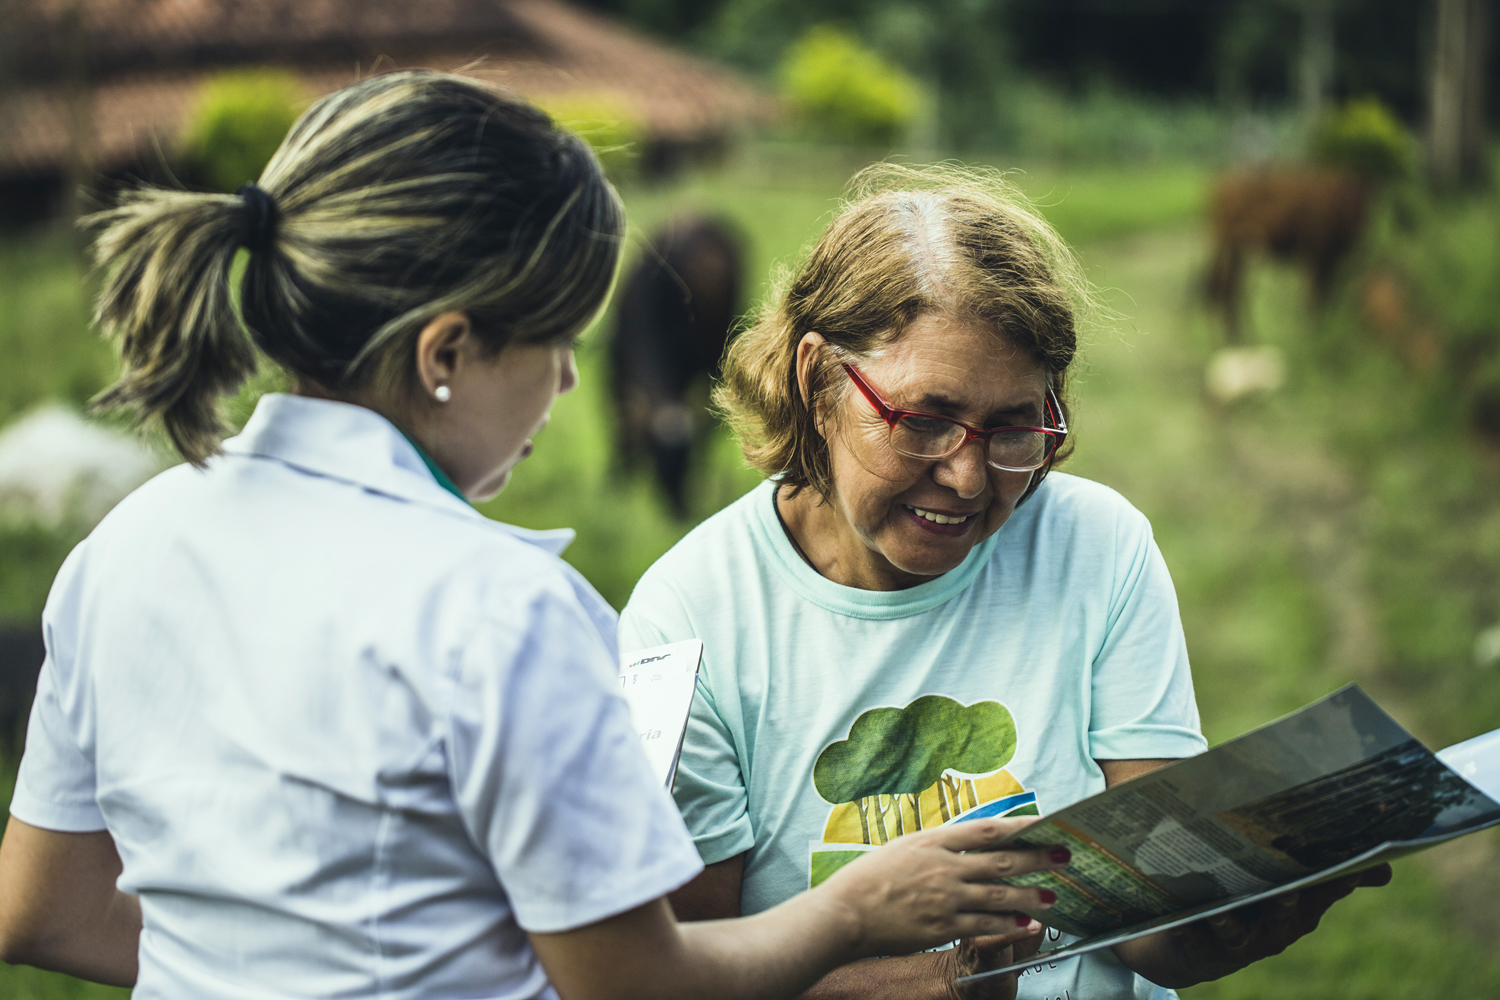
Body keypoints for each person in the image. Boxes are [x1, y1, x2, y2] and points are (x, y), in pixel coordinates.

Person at [0, 74, 1069, 1000]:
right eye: (557, 343)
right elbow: (635, 984)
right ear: (445, 354)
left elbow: (43, 910)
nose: (563, 383)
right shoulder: (502, 610)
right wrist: (854, 909)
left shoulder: (122, 549)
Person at [617, 165, 1391, 1000]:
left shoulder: (1098, 548)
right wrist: (951, 978)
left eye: (1016, 428)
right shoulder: (688, 620)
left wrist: (1236, 916)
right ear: (816, 382)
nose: (968, 476)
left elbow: (1153, 922)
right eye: (924, 420)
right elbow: (687, 979)